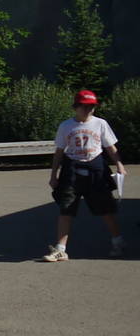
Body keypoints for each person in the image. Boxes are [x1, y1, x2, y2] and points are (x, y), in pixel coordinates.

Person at [43, 89, 126, 261]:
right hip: (71, 170)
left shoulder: (100, 124)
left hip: (96, 169)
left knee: (106, 209)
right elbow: (59, 152)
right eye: (84, 106)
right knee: (66, 209)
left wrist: (119, 164)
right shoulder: (66, 126)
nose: (88, 110)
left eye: (91, 107)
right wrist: (53, 175)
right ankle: (60, 250)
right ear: (76, 107)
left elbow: (111, 147)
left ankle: (118, 242)